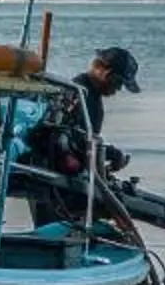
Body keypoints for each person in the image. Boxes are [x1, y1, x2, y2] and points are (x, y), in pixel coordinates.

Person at [15, 45, 142, 228]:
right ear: (106, 72)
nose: (119, 89)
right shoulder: (80, 94)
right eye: (119, 82)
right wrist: (113, 154)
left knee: (62, 228)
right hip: (53, 178)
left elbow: (84, 141)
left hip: (61, 177)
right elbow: (79, 141)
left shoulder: (87, 93)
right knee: (53, 231)